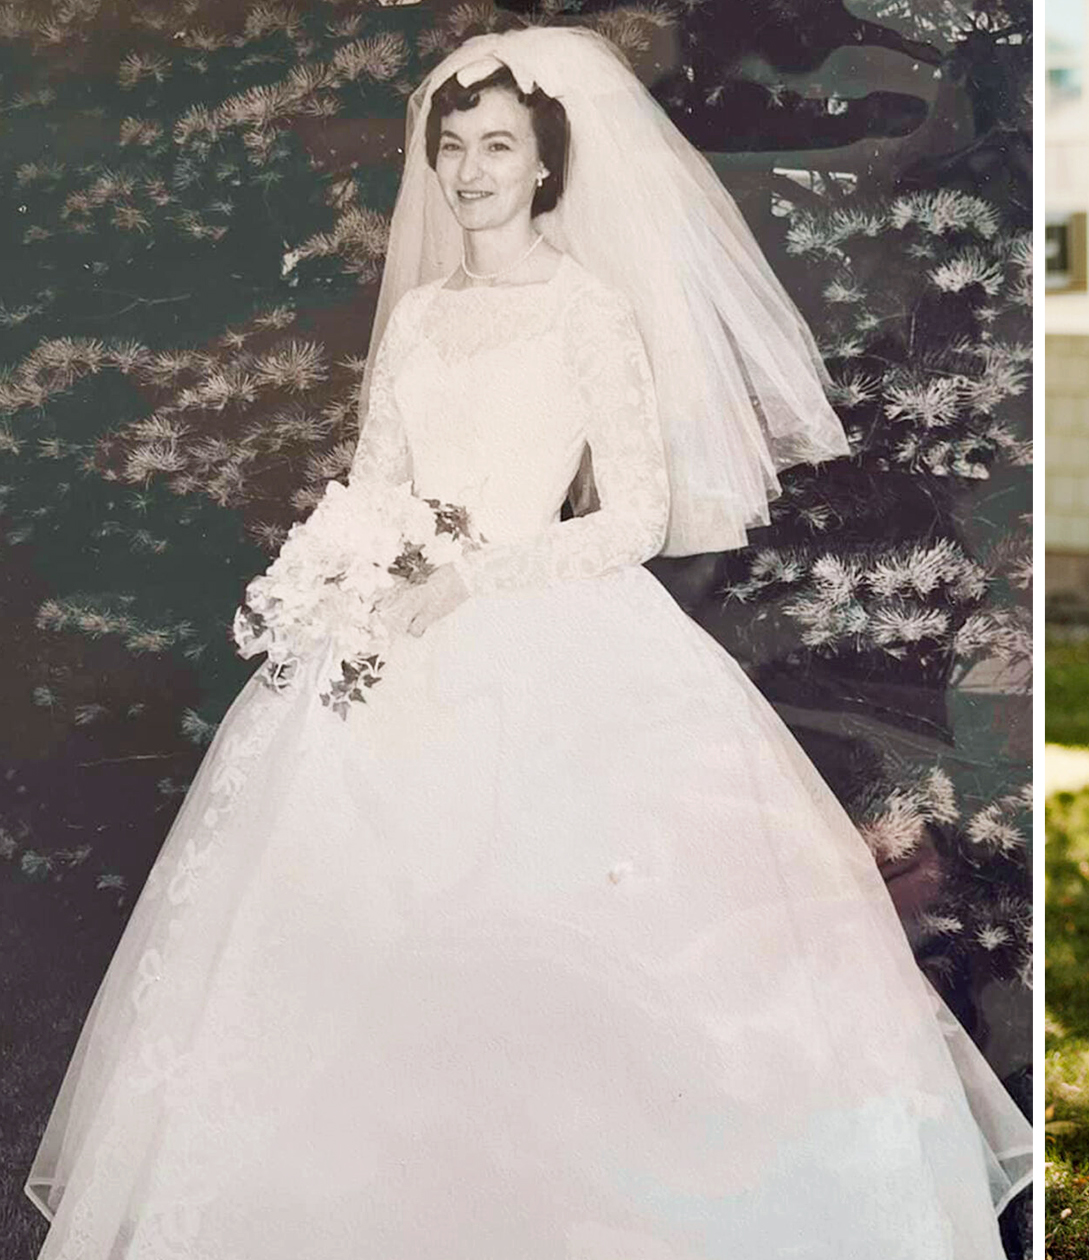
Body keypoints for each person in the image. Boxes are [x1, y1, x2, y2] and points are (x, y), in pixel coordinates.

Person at [25, 29, 1030, 1259]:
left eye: (497, 146)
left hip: (548, 631)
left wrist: (472, 579)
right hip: (393, 636)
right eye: (451, 147)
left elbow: (640, 514)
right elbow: (379, 482)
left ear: (547, 166)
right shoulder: (425, 315)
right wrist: (344, 574)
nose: (467, 170)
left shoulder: (589, 309)